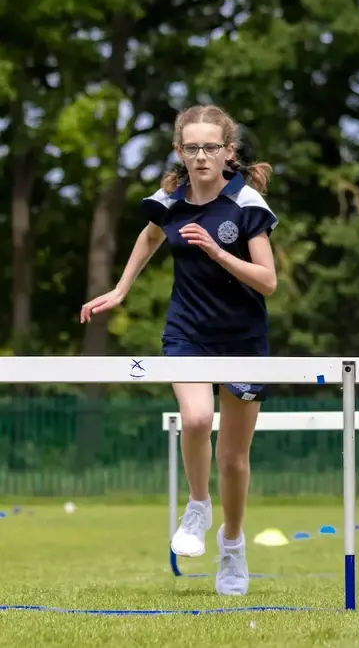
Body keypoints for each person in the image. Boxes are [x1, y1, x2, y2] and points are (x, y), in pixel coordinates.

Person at [80, 105, 278, 596]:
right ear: (179, 152)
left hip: (243, 340)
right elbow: (149, 237)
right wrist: (121, 289)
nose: (201, 155)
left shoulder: (246, 202)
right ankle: (197, 506)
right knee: (193, 420)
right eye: (192, 147)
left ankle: (231, 543)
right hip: (187, 332)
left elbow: (268, 282)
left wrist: (216, 251)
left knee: (233, 459)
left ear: (228, 152)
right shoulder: (169, 199)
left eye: (211, 147)